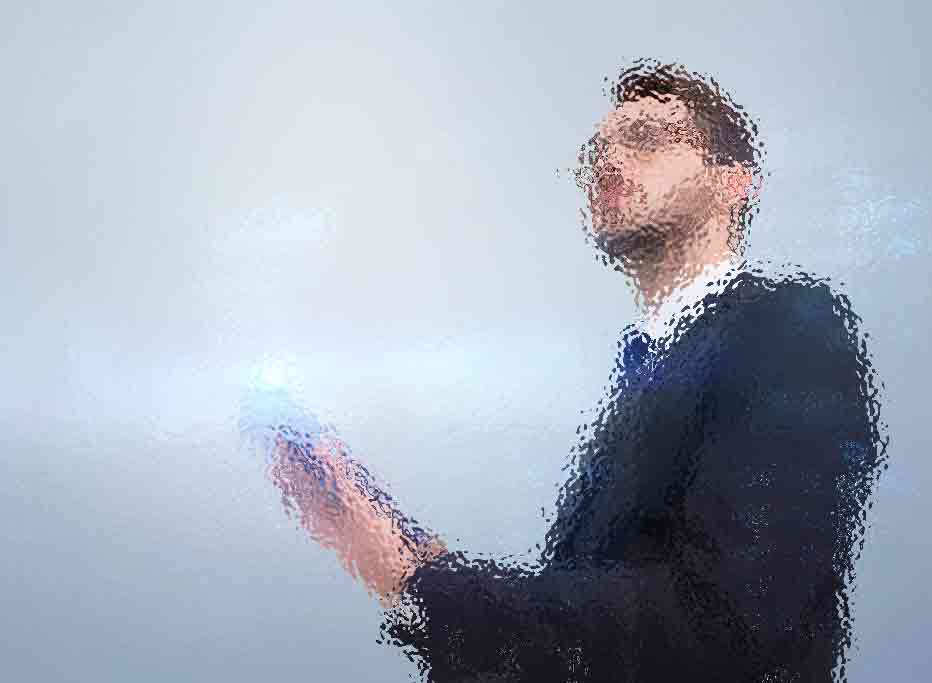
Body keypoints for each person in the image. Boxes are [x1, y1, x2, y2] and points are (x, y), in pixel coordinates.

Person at [242, 59, 886, 682]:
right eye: (597, 151)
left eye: (647, 139)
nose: (606, 161)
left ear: (733, 183)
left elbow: (723, 627)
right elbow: (586, 638)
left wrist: (418, 585)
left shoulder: (790, 329)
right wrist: (397, 545)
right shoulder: (650, 369)